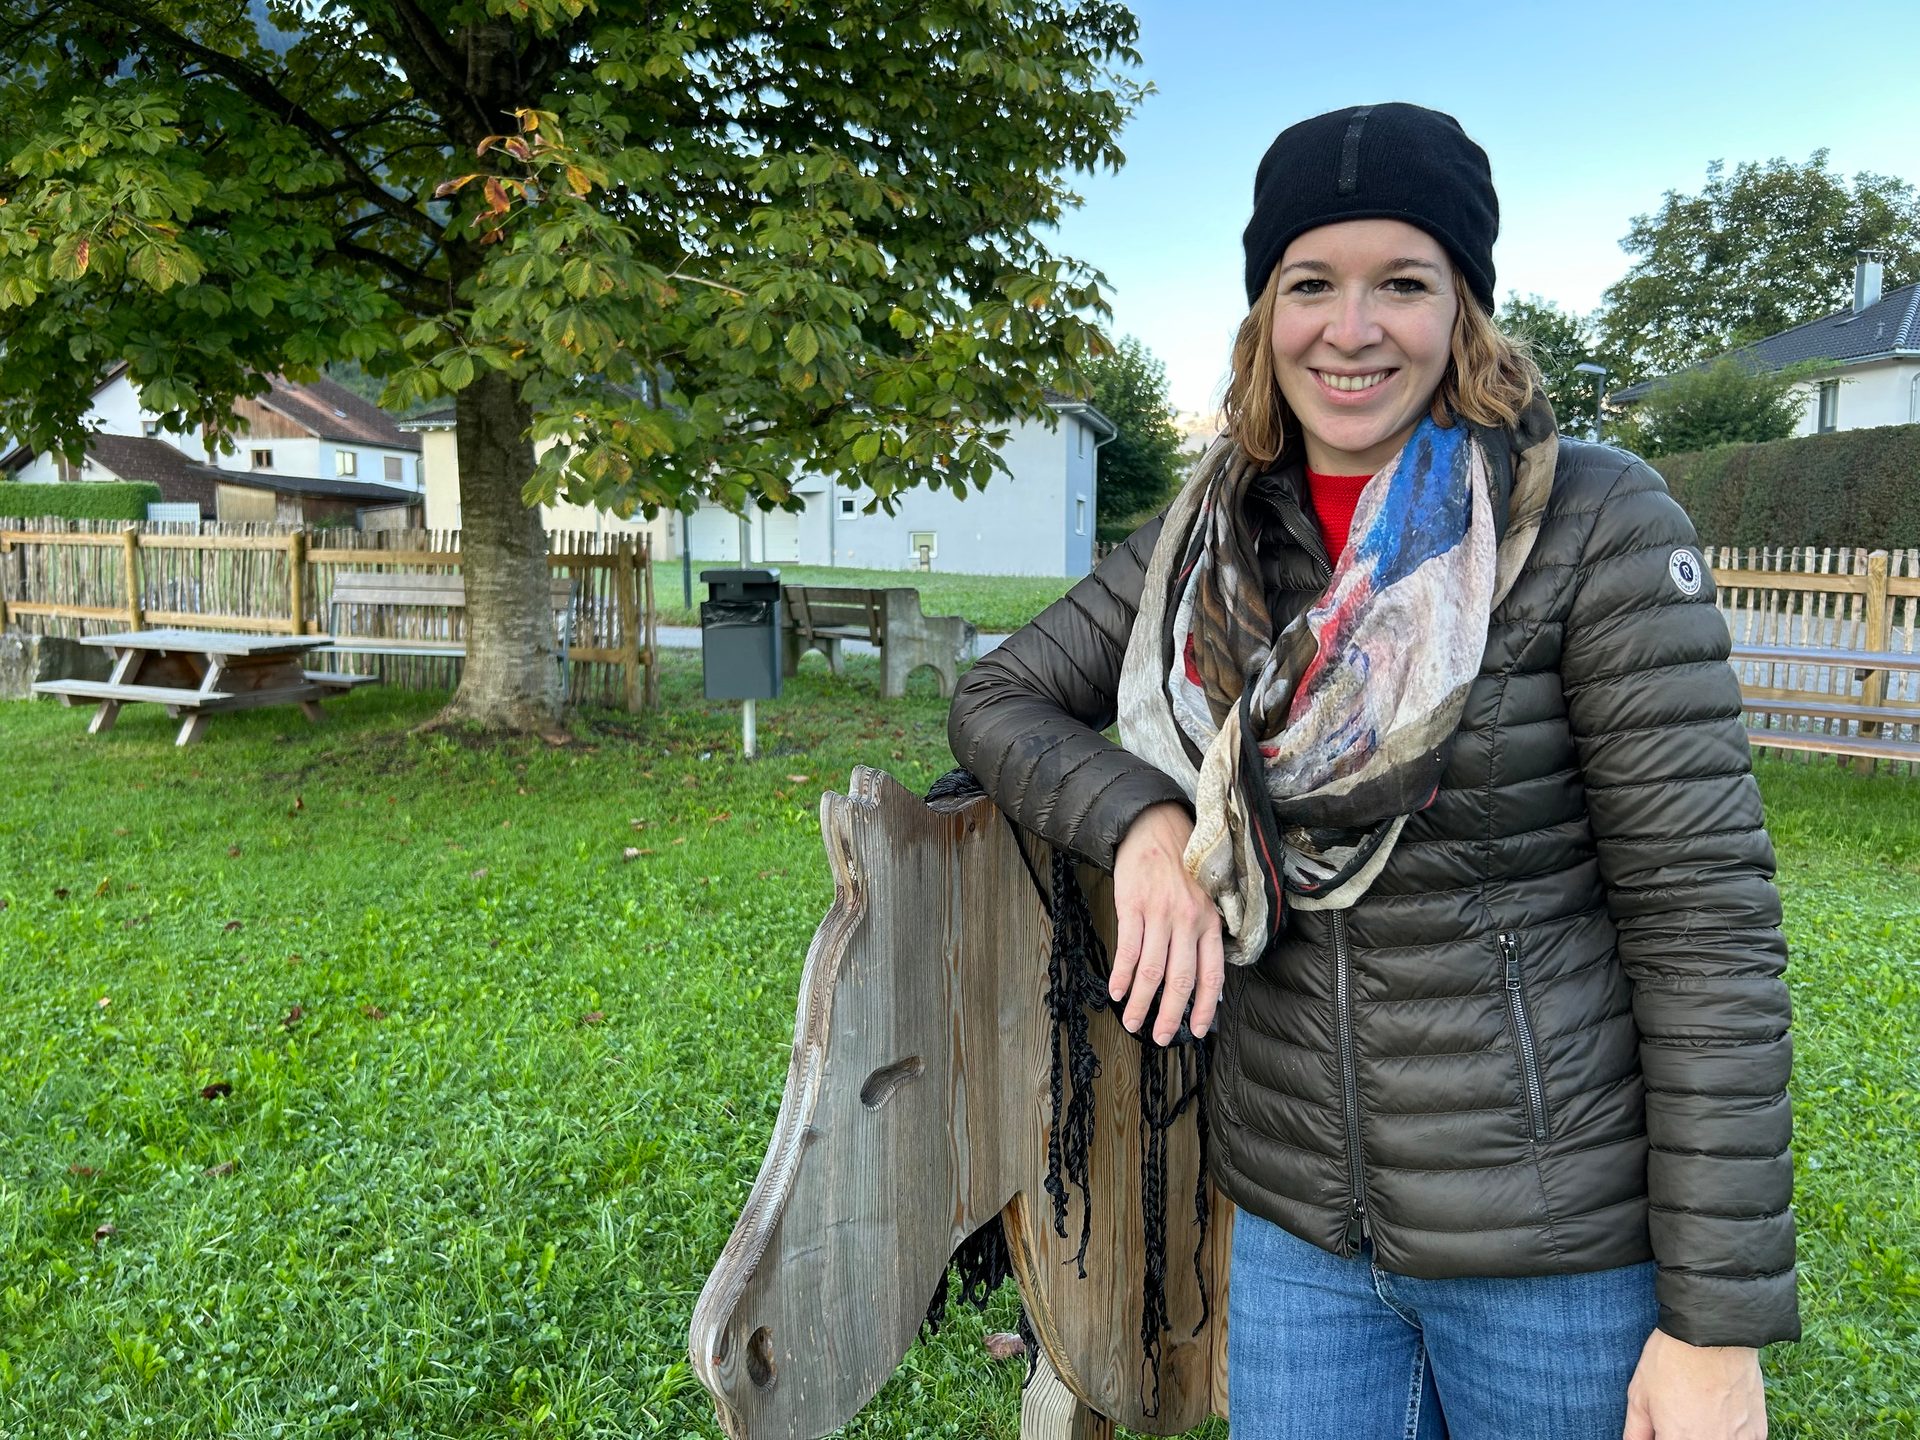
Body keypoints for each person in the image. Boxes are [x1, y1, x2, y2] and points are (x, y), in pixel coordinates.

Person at [949, 103, 1795, 1439]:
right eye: (1311, 285)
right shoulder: (1213, 537)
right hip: (1302, 1244)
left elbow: (1709, 937)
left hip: (1554, 1255)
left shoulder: (1589, 525)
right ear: (1262, 314)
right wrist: (1145, 819)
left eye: (1402, 282)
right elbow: (996, 698)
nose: (1353, 329)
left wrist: (1711, 1327)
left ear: (1464, 308)